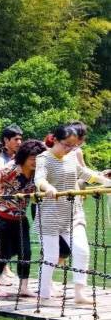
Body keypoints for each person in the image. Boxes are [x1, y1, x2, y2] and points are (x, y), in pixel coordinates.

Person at [34, 123, 111, 305]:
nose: (69, 149)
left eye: (73, 145)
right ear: (55, 140)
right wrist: (48, 187)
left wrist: (105, 182)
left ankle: (79, 294)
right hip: (50, 215)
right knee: (51, 256)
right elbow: (39, 178)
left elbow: (85, 174)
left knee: (82, 250)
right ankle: (43, 296)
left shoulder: (71, 157)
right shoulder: (43, 158)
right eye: (66, 144)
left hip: (72, 214)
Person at [0, 140, 46, 298]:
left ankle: (24, 288)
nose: (35, 162)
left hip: (20, 216)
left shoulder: (38, 173)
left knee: (26, 251)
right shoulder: (12, 168)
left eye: (38, 159)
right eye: (32, 159)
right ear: (24, 157)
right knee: (4, 251)